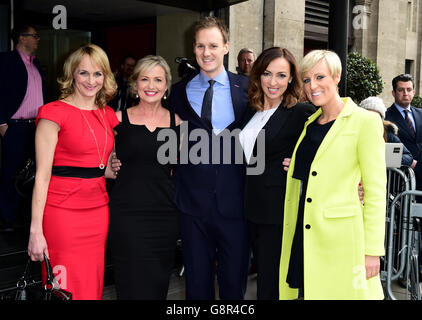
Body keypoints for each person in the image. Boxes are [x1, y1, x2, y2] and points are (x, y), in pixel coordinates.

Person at [279, 50, 386, 300]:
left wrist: (372, 250)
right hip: (305, 233)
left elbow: (376, 191)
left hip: (343, 241)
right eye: (306, 80)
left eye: (320, 77)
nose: (312, 86)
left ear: (336, 77)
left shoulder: (365, 122)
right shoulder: (310, 123)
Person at [27, 44, 119, 300]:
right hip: (62, 215)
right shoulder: (53, 113)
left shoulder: (107, 114)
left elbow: (101, 165)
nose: (91, 81)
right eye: (84, 73)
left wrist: (113, 168)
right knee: (63, 289)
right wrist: (36, 230)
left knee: (91, 284)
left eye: (98, 74)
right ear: (72, 75)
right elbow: (42, 176)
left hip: (98, 211)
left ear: (106, 76)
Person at [168, 16, 250, 300]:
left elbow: (271, 131)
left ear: (226, 47)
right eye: (201, 46)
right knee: (196, 286)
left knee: (233, 287)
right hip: (193, 206)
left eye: (213, 45)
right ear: (194, 48)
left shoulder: (249, 90)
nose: (206, 52)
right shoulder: (178, 92)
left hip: (237, 205)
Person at [239, 47, 315, 300]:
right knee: (258, 277)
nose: (273, 82)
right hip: (246, 207)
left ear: (292, 78)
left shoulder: (301, 112)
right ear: (258, 74)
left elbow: (329, 144)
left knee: (272, 281)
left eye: (281, 75)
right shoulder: (250, 109)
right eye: (268, 74)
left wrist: (301, 161)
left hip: (278, 211)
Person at [108, 55, 181, 300]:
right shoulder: (117, 120)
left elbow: (182, 170)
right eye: (145, 79)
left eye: (158, 79)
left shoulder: (178, 124)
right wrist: (109, 162)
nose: (151, 86)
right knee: (129, 283)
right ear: (135, 84)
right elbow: (98, 160)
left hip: (164, 215)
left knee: (157, 284)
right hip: (127, 215)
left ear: (166, 86)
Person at [0, 24, 47, 231]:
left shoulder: (37, 64)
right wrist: (2, 123)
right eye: (34, 36)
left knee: (33, 173)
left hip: (36, 126)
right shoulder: (7, 61)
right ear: (21, 38)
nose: (37, 39)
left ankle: (26, 218)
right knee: (11, 172)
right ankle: (7, 219)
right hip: (14, 126)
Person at [385, 74, 422, 187]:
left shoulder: (421, 113)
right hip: (401, 178)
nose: (405, 93)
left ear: (414, 92)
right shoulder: (386, 117)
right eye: (401, 90)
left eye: (409, 89)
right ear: (393, 93)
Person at [360, 96, 413, 167]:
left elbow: (408, 157)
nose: (372, 120)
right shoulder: (354, 133)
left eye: (376, 117)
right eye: (369, 116)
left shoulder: (387, 133)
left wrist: (388, 160)